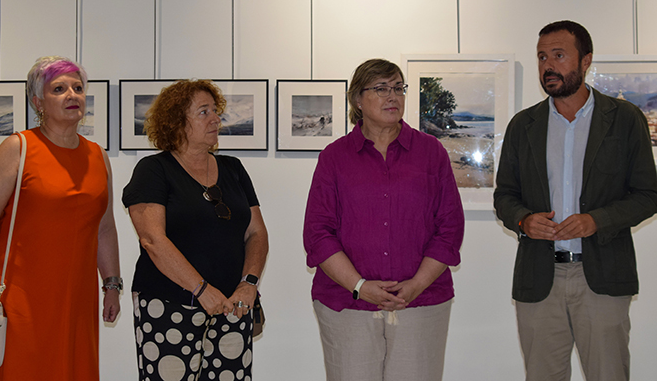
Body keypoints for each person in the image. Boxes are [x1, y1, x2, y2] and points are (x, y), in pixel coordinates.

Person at [494, 20, 657, 381]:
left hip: (602, 275)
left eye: (558, 55)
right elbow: (504, 196)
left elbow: (648, 195)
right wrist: (523, 221)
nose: (547, 66)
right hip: (539, 278)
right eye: (541, 57)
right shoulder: (523, 126)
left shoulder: (625, 119)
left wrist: (596, 220)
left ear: (586, 61)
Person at [303, 58, 465, 381]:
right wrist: (360, 287)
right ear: (357, 100)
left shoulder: (431, 153)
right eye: (381, 88)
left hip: (421, 304)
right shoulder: (334, 158)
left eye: (398, 88)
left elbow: (449, 229)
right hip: (347, 305)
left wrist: (416, 285)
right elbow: (318, 235)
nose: (393, 96)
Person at [0, 56, 122, 380]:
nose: (72, 95)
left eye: (77, 88)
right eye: (59, 89)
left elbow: (104, 228)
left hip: (78, 294)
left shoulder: (98, 156)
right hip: (22, 293)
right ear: (38, 101)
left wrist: (112, 284)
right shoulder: (18, 148)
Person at [122, 79, 268, 381]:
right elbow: (152, 240)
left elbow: (256, 233)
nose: (216, 118)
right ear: (177, 121)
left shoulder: (233, 169)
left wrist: (249, 283)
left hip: (233, 306)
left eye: (215, 111)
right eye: (204, 112)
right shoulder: (154, 170)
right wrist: (202, 290)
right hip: (169, 305)